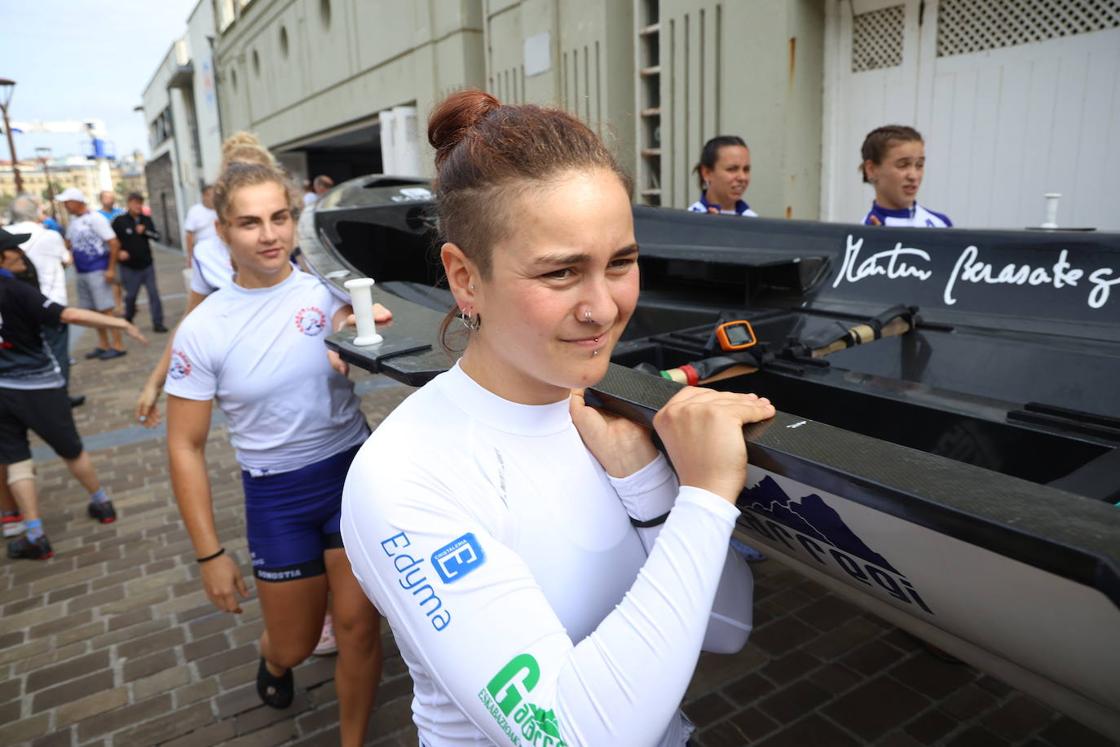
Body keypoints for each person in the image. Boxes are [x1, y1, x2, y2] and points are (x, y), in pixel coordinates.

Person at [341, 90, 773, 747]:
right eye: (562, 272)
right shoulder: (404, 476)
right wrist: (707, 497)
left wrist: (652, 489)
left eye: (620, 262)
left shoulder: (606, 424)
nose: (603, 307)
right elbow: (572, 737)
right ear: (465, 278)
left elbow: (726, 627)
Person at [164, 161, 387, 743]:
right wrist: (209, 555)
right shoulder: (204, 328)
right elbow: (184, 445)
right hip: (277, 496)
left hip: (349, 474)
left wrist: (354, 332)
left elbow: (356, 315)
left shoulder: (330, 289)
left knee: (360, 629)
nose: (269, 235)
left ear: (295, 219)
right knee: (295, 641)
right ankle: (273, 656)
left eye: (280, 217)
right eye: (249, 223)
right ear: (221, 232)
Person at [0, 230, 146, 559]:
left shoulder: (17, 286)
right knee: (71, 449)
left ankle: (35, 534)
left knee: (16, 459)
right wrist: (121, 325)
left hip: (3, 390)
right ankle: (101, 502)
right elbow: (69, 314)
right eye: (12, 249)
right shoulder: (17, 290)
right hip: (40, 386)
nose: (20, 253)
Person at [4, 194, 82, 407]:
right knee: (58, 354)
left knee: (23, 354)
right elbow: (67, 260)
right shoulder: (50, 236)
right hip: (51, 303)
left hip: (14, 310)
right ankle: (58, 398)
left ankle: (30, 399)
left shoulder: (5, 236)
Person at [58, 187, 127, 360]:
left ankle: (117, 344)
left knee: (106, 309)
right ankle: (103, 344)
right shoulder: (73, 222)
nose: (65, 206)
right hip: (82, 271)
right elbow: (68, 243)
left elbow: (113, 243)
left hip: (98, 269)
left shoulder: (96, 219)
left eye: (67, 202)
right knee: (94, 311)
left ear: (77, 201)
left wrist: (110, 268)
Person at [860, 125, 952, 227]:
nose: (913, 176)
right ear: (871, 169)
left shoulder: (941, 223)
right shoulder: (862, 235)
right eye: (902, 165)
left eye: (919, 165)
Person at [112, 193, 167, 333]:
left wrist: (146, 231)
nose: (138, 206)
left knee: (154, 294)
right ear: (129, 203)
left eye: (140, 203)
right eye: (135, 203)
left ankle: (158, 323)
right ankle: (128, 318)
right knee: (131, 296)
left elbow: (157, 237)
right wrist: (118, 253)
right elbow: (111, 240)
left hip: (147, 265)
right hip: (129, 267)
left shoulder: (146, 220)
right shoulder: (120, 221)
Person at [689, 135, 758, 217]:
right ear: (706, 173)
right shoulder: (689, 221)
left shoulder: (754, 221)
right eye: (732, 169)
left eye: (746, 170)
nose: (742, 177)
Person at [183, 184, 218, 267]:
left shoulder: (220, 210)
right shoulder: (195, 211)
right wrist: (190, 257)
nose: (213, 198)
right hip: (203, 253)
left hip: (220, 251)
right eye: (210, 195)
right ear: (204, 196)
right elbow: (189, 235)